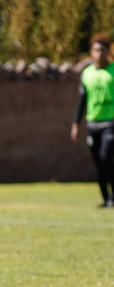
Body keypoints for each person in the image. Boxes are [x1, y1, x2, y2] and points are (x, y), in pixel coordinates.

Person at [72, 34, 114, 208]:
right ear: (91, 52)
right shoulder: (87, 74)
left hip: (110, 123)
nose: (99, 53)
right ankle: (105, 199)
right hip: (93, 123)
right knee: (98, 163)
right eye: (96, 50)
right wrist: (76, 123)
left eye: (102, 50)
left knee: (106, 158)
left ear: (108, 51)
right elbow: (82, 100)